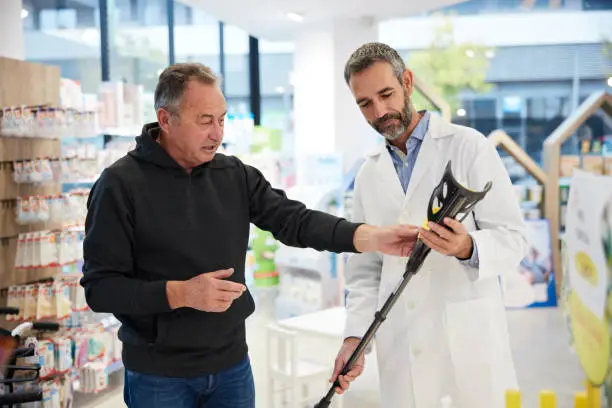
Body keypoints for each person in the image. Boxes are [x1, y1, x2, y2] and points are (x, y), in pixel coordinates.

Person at [80, 62, 419, 408]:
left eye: (222, 119)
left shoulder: (233, 175)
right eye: (205, 121)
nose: (217, 133)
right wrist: (181, 293)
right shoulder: (119, 186)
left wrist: (370, 237)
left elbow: (295, 221)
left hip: (231, 368)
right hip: (159, 377)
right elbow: (101, 289)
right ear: (166, 120)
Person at [330, 43, 528, 408]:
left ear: (407, 82)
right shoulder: (367, 174)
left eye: (386, 94)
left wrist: (467, 248)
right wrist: (354, 338)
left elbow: (514, 239)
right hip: (402, 344)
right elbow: (364, 269)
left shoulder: (469, 147)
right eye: (365, 103)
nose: (380, 111)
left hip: (466, 337)